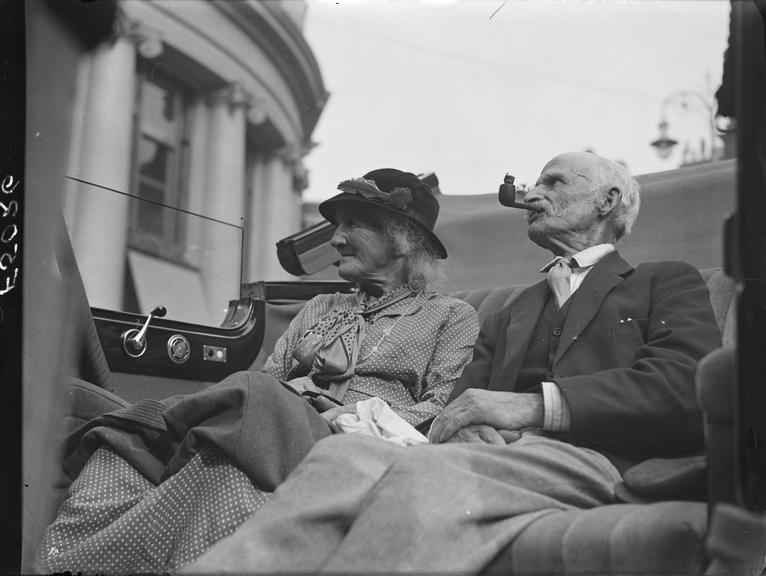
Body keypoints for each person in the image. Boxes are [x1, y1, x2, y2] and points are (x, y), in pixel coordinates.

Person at [182, 151, 723, 575]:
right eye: (535, 183)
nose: (532, 194)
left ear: (607, 201)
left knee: (424, 476)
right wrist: (460, 432)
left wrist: (532, 408)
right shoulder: (515, 308)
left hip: (599, 458)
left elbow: (686, 387)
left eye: (553, 183)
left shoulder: (664, 281)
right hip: (498, 460)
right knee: (339, 460)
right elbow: (459, 404)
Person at [36, 168, 479, 574]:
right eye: (337, 226)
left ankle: (162, 430)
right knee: (118, 455)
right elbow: (271, 376)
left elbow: (438, 411)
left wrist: (348, 413)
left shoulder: (450, 316)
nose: (337, 239)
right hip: (272, 425)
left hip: (351, 442)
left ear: (401, 238)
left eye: (352, 225)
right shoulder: (323, 305)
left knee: (250, 398)